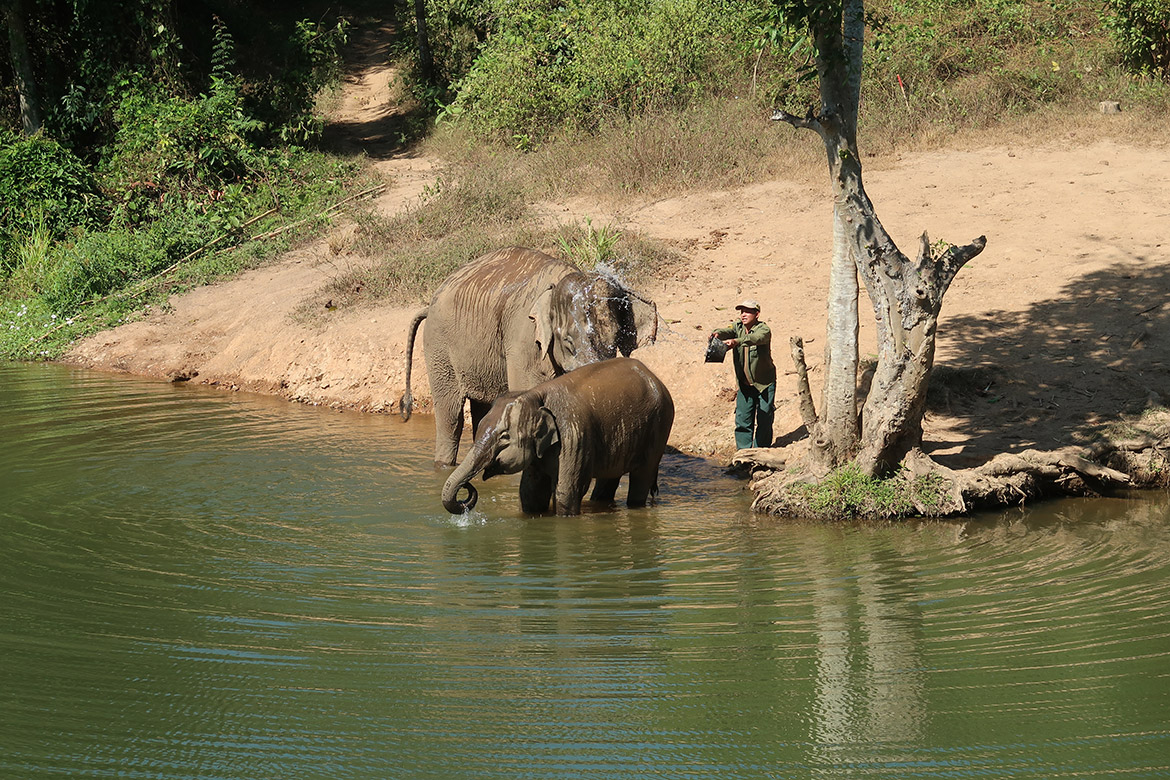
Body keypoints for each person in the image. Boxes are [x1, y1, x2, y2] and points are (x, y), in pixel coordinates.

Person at [710, 299, 776, 449]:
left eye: (747, 312)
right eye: (741, 311)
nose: (743, 315)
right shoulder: (737, 326)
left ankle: (760, 453)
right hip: (744, 385)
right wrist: (717, 334)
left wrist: (737, 342)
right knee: (742, 420)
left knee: (764, 419)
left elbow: (756, 339)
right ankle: (743, 454)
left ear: (757, 314)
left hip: (763, 384)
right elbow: (726, 331)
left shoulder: (763, 329)